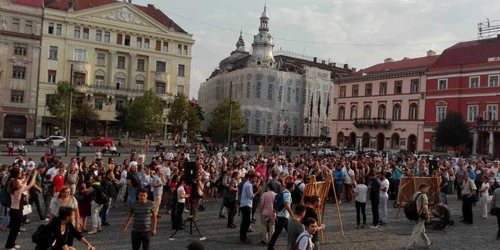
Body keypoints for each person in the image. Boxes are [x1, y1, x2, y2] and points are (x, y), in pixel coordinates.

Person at [5, 167, 37, 250]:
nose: (21, 173)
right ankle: (9, 246)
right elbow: (30, 185)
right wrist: (34, 176)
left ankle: (12, 243)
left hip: (14, 210)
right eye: (19, 172)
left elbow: (22, 183)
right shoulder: (19, 189)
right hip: (17, 210)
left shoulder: (13, 183)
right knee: (14, 230)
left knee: (15, 229)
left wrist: (28, 176)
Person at [268, 182, 294, 250]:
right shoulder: (288, 194)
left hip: (281, 214)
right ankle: (270, 246)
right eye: (293, 187)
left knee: (289, 230)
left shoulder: (283, 192)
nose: (294, 188)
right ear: (291, 187)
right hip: (284, 215)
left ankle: (294, 244)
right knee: (278, 232)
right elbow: (286, 204)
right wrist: (292, 214)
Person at [406, 184, 433, 250]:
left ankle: (428, 243)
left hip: (415, 214)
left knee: (422, 231)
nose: (427, 190)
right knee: (416, 232)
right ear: (423, 188)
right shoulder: (424, 196)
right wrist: (428, 216)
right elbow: (425, 207)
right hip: (421, 216)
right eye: (426, 188)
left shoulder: (415, 194)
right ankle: (409, 247)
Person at [240, 173, 259, 243]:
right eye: (254, 178)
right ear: (251, 178)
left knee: (245, 222)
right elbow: (251, 196)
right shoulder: (248, 185)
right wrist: (258, 192)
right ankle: (243, 237)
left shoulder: (248, 184)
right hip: (246, 205)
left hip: (245, 204)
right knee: (246, 222)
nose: (256, 180)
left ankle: (242, 236)